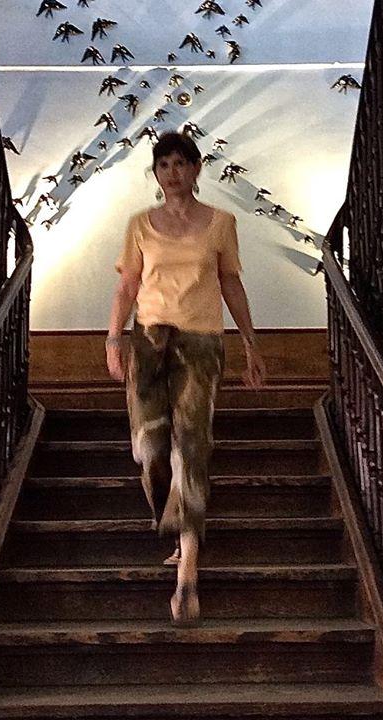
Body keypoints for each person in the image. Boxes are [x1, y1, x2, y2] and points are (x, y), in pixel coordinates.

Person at [106, 131, 266, 626]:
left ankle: (188, 571)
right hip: (148, 344)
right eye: (164, 164)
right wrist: (113, 339)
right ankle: (174, 525)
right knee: (150, 450)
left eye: (181, 163)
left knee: (191, 447)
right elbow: (128, 285)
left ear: (196, 169)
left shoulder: (221, 223)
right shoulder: (139, 224)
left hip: (200, 345)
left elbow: (230, 282)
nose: (172, 172)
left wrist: (250, 343)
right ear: (156, 173)